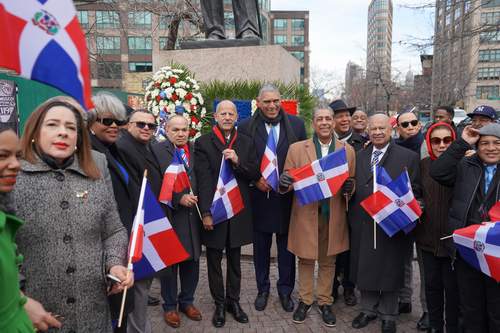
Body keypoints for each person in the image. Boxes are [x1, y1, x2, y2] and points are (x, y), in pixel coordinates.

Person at [14, 97, 133, 332]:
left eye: (71, 128)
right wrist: (17, 297)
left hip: (93, 315)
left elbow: (114, 230)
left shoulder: (95, 168)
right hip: (33, 318)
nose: (63, 133)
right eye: (52, 125)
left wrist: (113, 265)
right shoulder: (13, 175)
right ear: (34, 131)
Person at [279, 106, 356, 327]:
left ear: (334, 122)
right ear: (313, 122)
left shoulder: (346, 150)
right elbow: (287, 177)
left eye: (328, 119)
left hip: (333, 214)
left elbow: (352, 181)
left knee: (328, 261)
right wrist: (285, 181)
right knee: (305, 259)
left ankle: (325, 301)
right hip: (306, 213)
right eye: (320, 118)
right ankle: (305, 300)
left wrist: (350, 187)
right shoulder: (296, 149)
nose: (324, 122)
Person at [349, 114, 421, 333]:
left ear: (391, 130)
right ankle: (368, 309)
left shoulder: (408, 157)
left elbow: (415, 189)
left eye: (382, 128)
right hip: (363, 220)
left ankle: (389, 314)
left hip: (392, 222)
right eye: (374, 128)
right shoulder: (360, 156)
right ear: (368, 131)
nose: (378, 132)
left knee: (391, 268)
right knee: (366, 266)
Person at [238, 84, 306, 313]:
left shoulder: (296, 124)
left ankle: (285, 291)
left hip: (287, 199)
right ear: (258, 102)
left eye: (275, 100)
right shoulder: (246, 126)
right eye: (266, 101)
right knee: (261, 250)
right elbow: (243, 161)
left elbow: (304, 158)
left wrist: (293, 179)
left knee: (287, 250)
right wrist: (254, 179)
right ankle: (262, 289)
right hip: (259, 197)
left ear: (281, 101)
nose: (272, 105)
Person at [194, 100, 260, 328]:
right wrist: (205, 212)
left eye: (231, 113)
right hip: (215, 210)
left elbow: (254, 173)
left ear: (236, 117)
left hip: (238, 210)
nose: (227, 117)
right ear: (215, 116)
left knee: (235, 260)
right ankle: (219, 304)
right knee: (213, 260)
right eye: (223, 113)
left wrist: (237, 161)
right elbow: (202, 180)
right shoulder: (202, 142)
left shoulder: (245, 142)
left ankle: (234, 302)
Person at [430, 123, 500, 333]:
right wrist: (462, 143)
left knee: (497, 310)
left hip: (497, 252)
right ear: (477, 147)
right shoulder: (465, 165)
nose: (491, 148)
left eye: (497, 143)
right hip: (468, 250)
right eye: (484, 143)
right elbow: (438, 172)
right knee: (470, 309)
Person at [87, 92, 137, 332]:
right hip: (104, 252)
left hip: (123, 240)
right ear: (90, 123)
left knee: (122, 314)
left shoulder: (116, 150)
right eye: (107, 121)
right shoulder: (89, 155)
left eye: (119, 121)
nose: (115, 126)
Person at [150, 115, 202, 328]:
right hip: (171, 217)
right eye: (175, 130)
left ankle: (187, 301)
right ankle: (170, 306)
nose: (181, 133)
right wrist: (178, 198)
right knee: (170, 264)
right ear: (166, 130)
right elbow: (155, 184)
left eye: (184, 129)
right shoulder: (158, 151)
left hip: (194, 219)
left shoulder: (195, 149)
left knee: (193, 262)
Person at [115, 109, 163, 333]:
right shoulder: (124, 148)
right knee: (137, 286)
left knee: (141, 286)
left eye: (151, 126)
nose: (146, 128)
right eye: (141, 124)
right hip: (135, 226)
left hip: (145, 223)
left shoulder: (146, 146)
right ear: (128, 125)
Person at [415, 122, 459, 333]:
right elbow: (415, 191)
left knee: (452, 290)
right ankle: (434, 326)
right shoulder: (423, 165)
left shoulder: (464, 165)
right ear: (429, 143)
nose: (442, 145)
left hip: (453, 242)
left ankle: (451, 327)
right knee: (432, 287)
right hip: (427, 238)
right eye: (436, 140)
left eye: (447, 140)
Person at [329, 99, 367, 306]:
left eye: (347, 115)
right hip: (332, 205)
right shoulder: (325, 143)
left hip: (354, 206)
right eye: (339, 116)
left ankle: (350, 287)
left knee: (351, 249)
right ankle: (332, 286)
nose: (344, 119)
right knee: (334, 248)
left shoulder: (363, 143)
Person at [394, 110, 429, 331]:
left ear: (419, 125)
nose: (409, 127)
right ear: (398, 128)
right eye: (404, 124)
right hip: (401, 211)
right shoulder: (393, 147)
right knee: (402, 259)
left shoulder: (431, 145)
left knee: (425, 266)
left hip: (426, 213)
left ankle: (427, 309)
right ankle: (403, 299)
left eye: (413, 123)